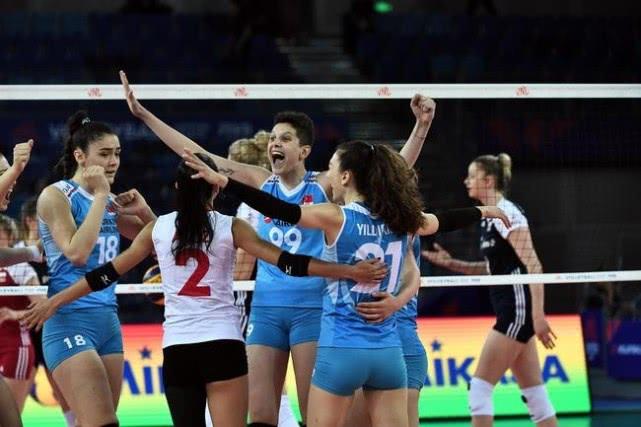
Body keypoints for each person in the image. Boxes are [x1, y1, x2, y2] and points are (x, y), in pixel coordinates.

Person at [120, 70, 436, 426]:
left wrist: (421, 128)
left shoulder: (324, 186)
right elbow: (197, 155)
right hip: (267, 310)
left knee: (313, 414)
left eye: (285, 138)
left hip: (311, 310)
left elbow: (385, 173)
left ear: (303, 151)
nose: (275, 143)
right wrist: (144, 115)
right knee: (261, 414)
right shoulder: (261, 181)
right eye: (272, 137)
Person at [21, 153, 387, 427]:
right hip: (223, 345)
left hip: (179, 348)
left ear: (177, 187)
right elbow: (289, 263)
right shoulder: (232, 227)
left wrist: (56, 301)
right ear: (214, 187)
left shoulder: (158, 229)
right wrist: (346, 270)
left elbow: (104, 274)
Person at [180, 143, 509, 427]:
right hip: (388, 352)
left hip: (341, 349)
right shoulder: (404, 219)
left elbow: (280, 209)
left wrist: (226, 183)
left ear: (347, 177)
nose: (329, 173)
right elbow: (447, 220)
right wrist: (486, 210)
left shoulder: (336, 216)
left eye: (333, 167)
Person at [36, 110, 156, 426]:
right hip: (68, 320)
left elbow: (160, 247)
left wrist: (145, 212)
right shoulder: (56, 196)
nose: (113, 161)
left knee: (96, 421)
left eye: (117, 153)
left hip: (107, 321)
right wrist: (101, 196)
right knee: (102, 422)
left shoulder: (109, 201)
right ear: (80, 156)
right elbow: (77, 253)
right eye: (104, 154)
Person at [422, 153, 558, 427]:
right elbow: (491, 270)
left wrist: (538, 316)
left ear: (488, 180)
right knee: (535, 395)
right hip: (513, 310)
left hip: (517, 310)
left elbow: (533, 264)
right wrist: (452, 263)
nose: (466, 181)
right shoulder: (488, 218)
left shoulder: (508, 213)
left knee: (479, 389)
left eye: (472, 176)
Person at [13, 198, 75, 426]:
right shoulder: (16, 255)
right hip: (24, 336)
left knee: (65, 395)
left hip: (55, 332)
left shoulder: (61, 255)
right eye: (46, 220)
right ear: (30, 221)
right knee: (13, 404)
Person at [0, 215, 39, 413]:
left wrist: (14, 314)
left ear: (10, 238)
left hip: (14, 349)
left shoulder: (20, 268)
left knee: (9, 415)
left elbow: (43, 307)